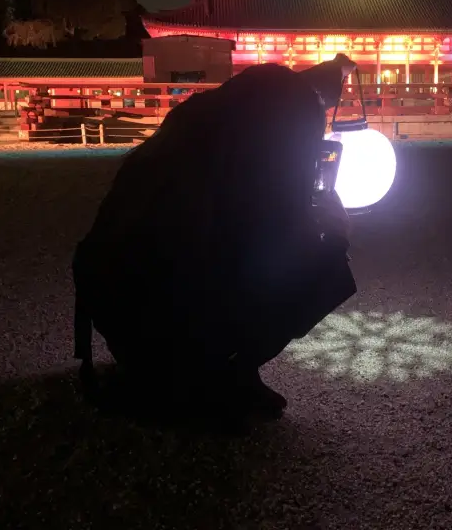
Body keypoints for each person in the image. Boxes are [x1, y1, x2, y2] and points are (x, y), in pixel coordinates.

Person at [73, 58, 357, 428]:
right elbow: (269, 260)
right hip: (181, 333)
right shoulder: (254, 172)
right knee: (325, 266)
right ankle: (217, 378)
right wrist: (334, 235)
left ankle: (165, 373)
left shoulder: (190, 135)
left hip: (121, 323)